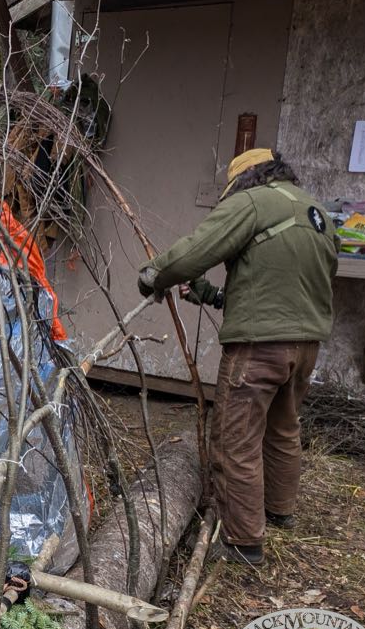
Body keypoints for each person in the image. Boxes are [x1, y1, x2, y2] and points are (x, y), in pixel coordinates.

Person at [137, 149, 338, 566]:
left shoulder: (252, 202)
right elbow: (284, 284)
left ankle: (244, 542)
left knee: (235, 440)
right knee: (282, 428)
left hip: (259, 347)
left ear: (245, 180)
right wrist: (213, 296)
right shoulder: (315, 210)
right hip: (305, 346)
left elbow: (195, 251)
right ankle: (279, 511)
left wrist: (155, 274)